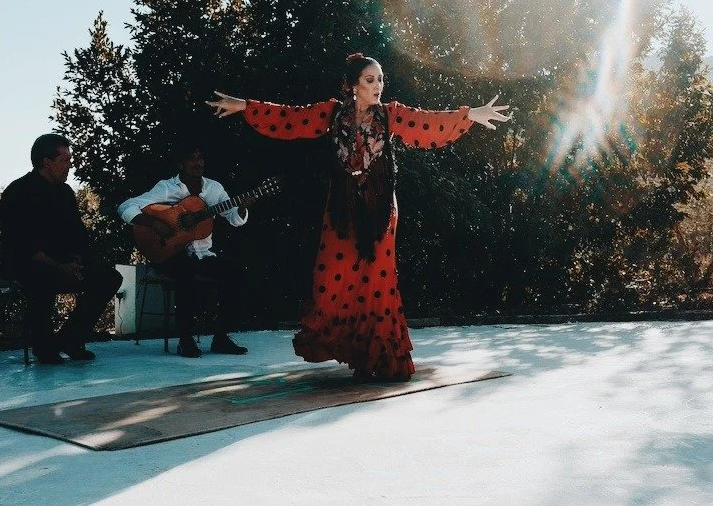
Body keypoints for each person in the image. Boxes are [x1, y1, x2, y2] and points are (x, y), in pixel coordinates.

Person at [206, 53, 509, 381]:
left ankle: (381, 357)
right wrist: (245, 106)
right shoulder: (332, 114)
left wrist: (471, 114)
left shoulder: (391, 115)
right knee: (334, 279)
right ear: (352, 85)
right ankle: (358, 353)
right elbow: (290, 118)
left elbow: (429, 123)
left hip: (379, 210)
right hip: (342, 209)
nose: (378, 85)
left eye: (380, 79)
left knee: (378, 283)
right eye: (370, 80)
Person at [117, 140, 255, 358]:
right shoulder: (166, 188)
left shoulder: (214, 189)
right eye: (192, 158)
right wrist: (154, 223)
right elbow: (125, 206)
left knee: (237, 274)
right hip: (169, 254)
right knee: (185, 275)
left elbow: (234, 218)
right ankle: (185, 340)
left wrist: (243, 207)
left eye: (200, 157)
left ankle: (220, 337)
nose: (197, 162)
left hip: (203, 255)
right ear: (180, 164)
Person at [0, 134, 123, 365]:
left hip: (63, 262)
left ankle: (70, 338)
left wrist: (77, 260)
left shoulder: (65, 193)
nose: (70, 166)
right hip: (28, 263)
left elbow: (78, 234)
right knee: (41, 278)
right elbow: (21, 244)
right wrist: (58, 266)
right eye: (65, 160)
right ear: (47, 162)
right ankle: (44, 347)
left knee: (109, 278)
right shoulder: (19, 192)